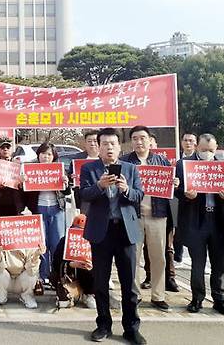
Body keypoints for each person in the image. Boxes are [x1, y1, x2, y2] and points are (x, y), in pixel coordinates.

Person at [79, 127, 146, 344]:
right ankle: (103, 325)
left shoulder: (130, 168)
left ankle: (131, 328)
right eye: (105, 144)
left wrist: (126, 190)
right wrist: (99, 185)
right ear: (98, 147)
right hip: (101, 232)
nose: (109, 147)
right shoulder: (89, 169)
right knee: (100, 282)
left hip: (125, 231)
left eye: (113, 144)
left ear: (119, 146)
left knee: (129, 285)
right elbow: (84, 194)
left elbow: (139, 194)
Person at [175, 133, 224, 316]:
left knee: (219, 264)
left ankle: (219, 299)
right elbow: (176, 190)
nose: (207, 153)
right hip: (196, 221)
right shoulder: (184, 165)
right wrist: (186, 194)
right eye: (203, 150)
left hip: (218, 221)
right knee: (198, 263)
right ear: (197, 147)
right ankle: (197, 298)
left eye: (210, 150)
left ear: (216, 148)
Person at [120, 126, 175, 312]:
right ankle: (134, 295)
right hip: (133, 215)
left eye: (142, 138)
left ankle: (158, 296)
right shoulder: (125, 162)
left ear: (150, 140)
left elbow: (171, 188)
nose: (139, 142)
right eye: (135, 138)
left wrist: (174, 183)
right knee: (132, 257)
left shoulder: (162, 161)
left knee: (158, 257)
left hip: (157, 215)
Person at [23, 142, 71, 292]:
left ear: (54, 156)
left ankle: (57, 275)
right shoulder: (31, 170)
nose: (46, 157)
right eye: (43, 153)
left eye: (49, 154)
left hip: (57, 209)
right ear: (38, 155)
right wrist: (23, 181)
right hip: (38, 209)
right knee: (41, 243)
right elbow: (25, 193)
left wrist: (66, 183)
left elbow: (67, 192)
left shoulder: (60, 169)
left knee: (57, 243)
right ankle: (42, 276)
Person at [50, 214, 95, 309]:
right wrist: (70, 264)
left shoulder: (93, 241)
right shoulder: (64, 240)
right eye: (76, 229)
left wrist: (91, 264)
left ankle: (89, 294)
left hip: (86, 275)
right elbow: (55, 263)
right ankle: (67, 294)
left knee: (94, 270)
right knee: (63, 304)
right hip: (68, 275)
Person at [0, 241, 45, 309]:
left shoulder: (30, 242)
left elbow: (32, 270)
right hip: (6, 279)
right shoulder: (3, 240)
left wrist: (36, 255)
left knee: (31, 274)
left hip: (21, 280)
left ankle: (27, 296)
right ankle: (0, 296)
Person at [173, 133, 198, 263]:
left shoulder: (199, 162)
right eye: (185, 140)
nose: (188, 143)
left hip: (197, 204)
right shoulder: (178, 162)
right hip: (180, 201)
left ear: (196, 143)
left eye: (191, 140)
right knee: (179, 230)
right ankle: (178, 255)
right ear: (181, 142)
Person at [68, 130, 100, 214]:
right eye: (89, 141)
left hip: (102, 194)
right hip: (84, 197)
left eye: (95, 141)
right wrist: (71, 177)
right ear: (85, 143)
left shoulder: (105, 157)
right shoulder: (77, 159)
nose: (92, 144)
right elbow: (70, 178)